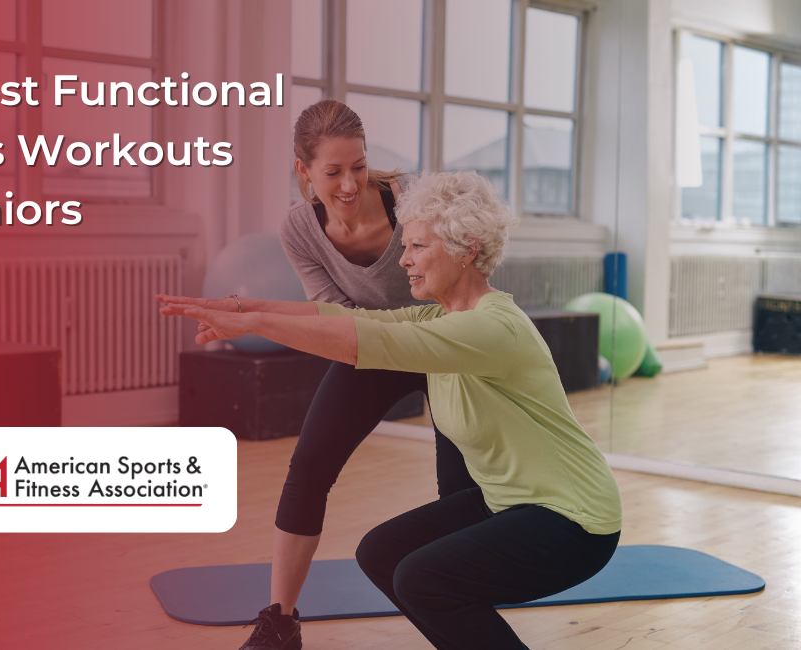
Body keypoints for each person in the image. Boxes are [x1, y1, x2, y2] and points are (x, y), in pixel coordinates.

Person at [159, 170, 623, 650]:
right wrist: (242, 309)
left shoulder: (492, 329)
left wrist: (257, 324)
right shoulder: (438, 315)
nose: (403, 261)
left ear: (467, 249)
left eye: (418, 247)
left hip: (573, 520)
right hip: (508, 502)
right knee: (383, 554)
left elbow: (364, 340)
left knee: (424, 578)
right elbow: (346, 317)